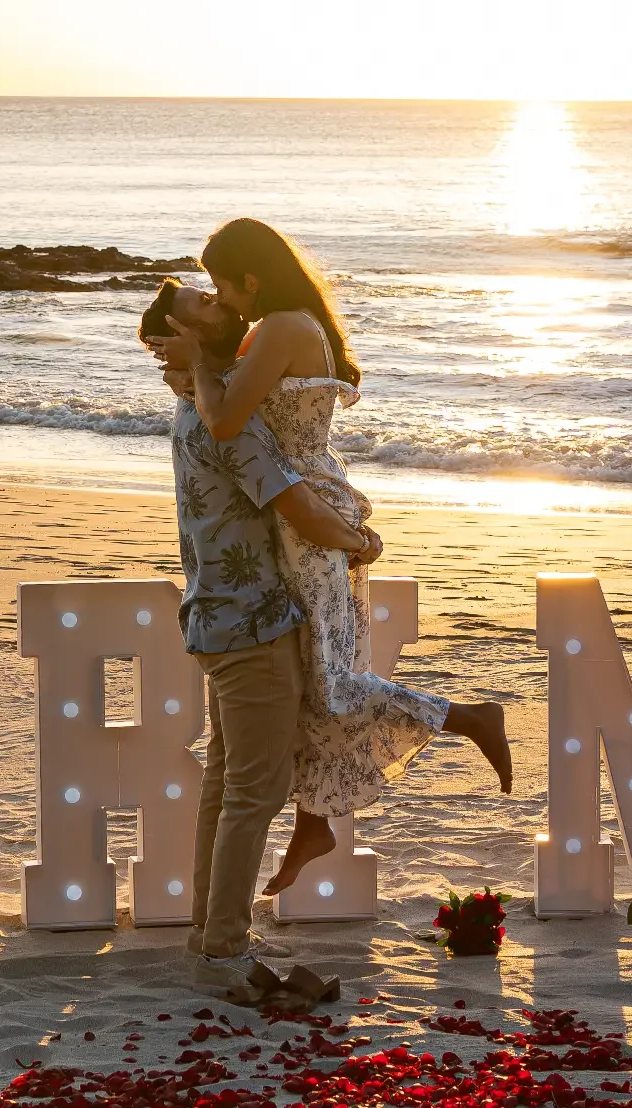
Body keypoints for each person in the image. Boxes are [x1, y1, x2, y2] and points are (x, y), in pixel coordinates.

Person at [147, 219, 511, 898]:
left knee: (331, 679)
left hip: (307, 509)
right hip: (294, 512)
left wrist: (196, 359)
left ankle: (466, 717)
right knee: (317, 676)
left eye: (221, 282)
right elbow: (221, 409)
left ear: (250, 277)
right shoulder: (275, 325)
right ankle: (312, 821)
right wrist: (185, 360)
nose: (221, 296)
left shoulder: (283, 323)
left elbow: (226, 421)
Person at [140, 283, 382, 998]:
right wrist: (360, 540)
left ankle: (207, 932)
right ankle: (222, 950)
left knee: (227, 783)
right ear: (183, 337)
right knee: (256, 790)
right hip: (252, 621)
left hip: (218, 615)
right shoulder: (232, 426)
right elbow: (298, 508)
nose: (220, 302)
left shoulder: (197, 407)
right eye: (201, 304)